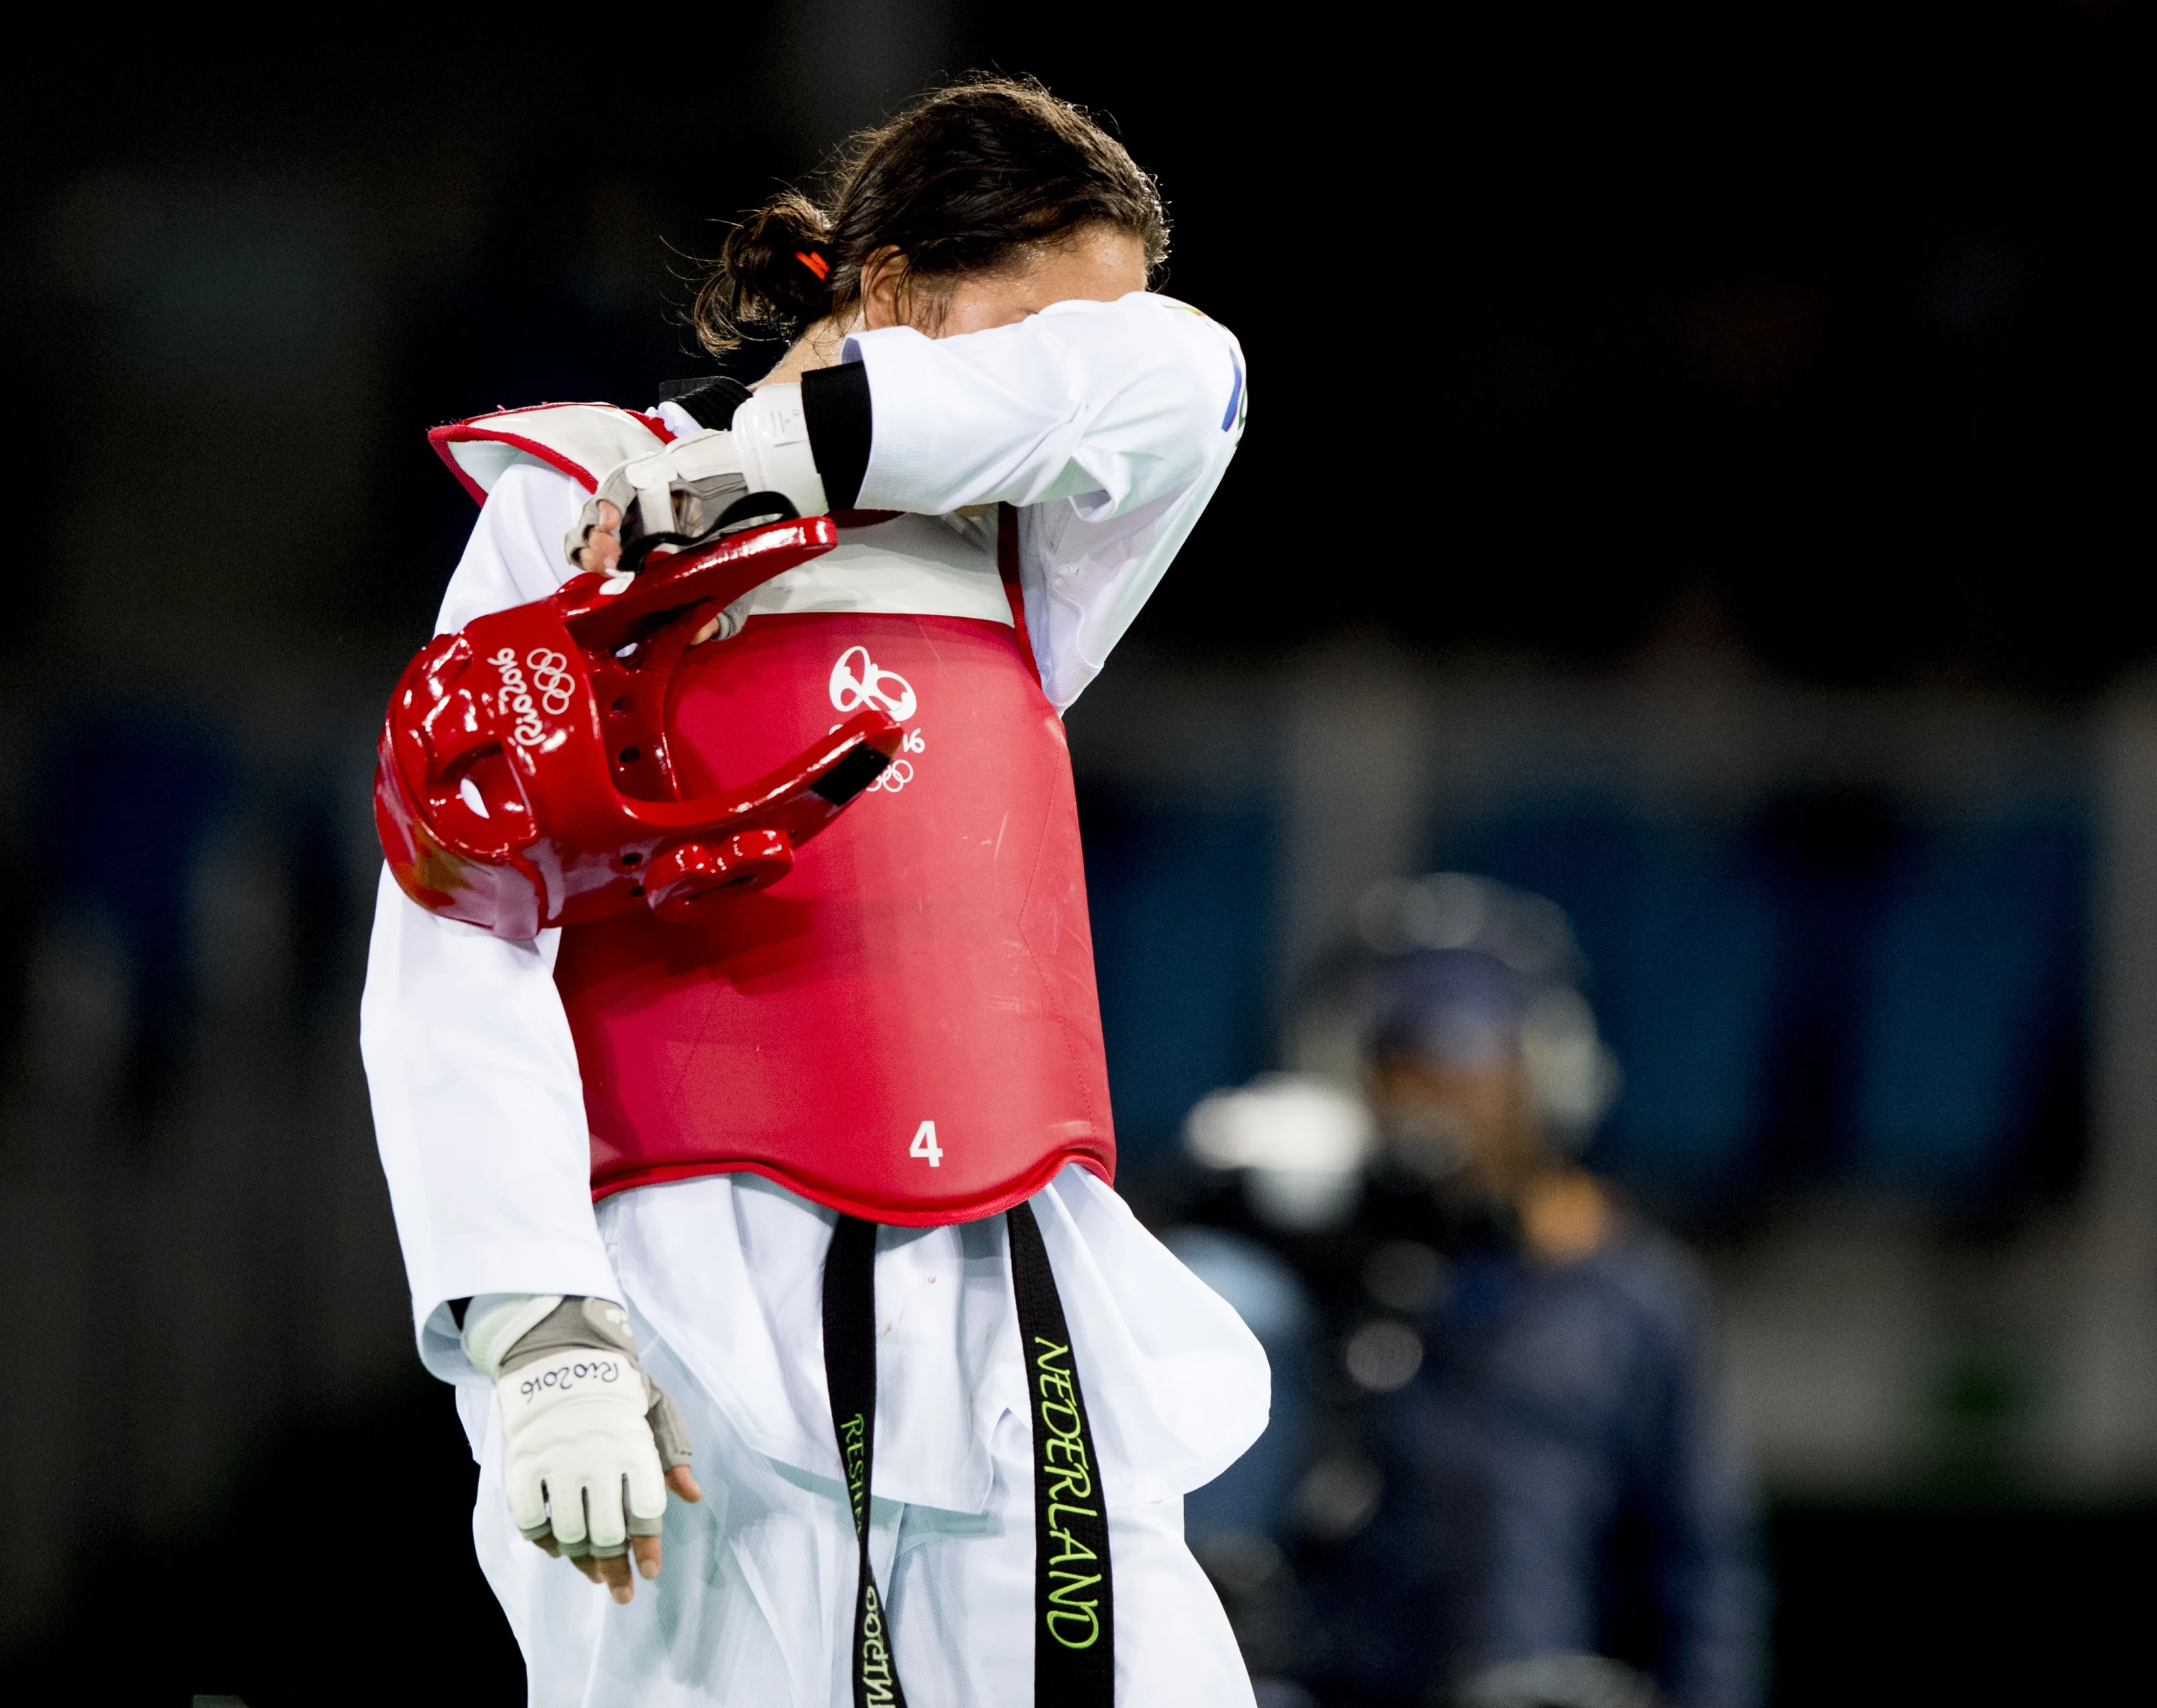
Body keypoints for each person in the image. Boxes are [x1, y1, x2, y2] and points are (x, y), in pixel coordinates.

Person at [361, 78, 1264, 1707]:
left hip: (1005, 1299)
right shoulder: (573, 516)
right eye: (1025, 334)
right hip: (687, 1305)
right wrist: (534, 1323)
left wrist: (792, 457)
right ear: (897, 284)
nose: (1054, 399)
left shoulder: (1032, 558)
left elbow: (1183, 370)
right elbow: (454, 929)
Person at [1179, 877, 1767, 1708]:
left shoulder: (1633, 1296)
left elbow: (1701, 1574)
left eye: (1457, 1058)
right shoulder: (1324, 1264)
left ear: (1542, 1071)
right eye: (1394, 1062)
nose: (1424, 1095)